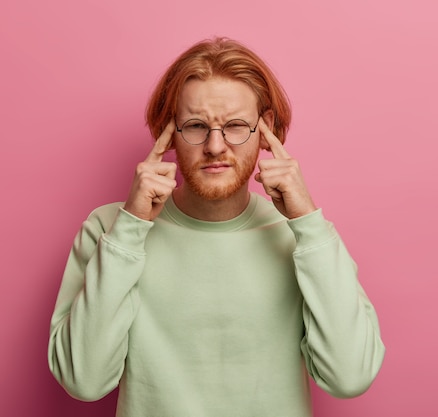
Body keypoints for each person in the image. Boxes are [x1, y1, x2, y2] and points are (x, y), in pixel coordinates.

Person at [48, 37, 385, 417]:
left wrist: (307, 221)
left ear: (265, 128)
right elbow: (83, 381)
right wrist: (131, 228)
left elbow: (350, 376)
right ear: (169, 130)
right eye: (195, 125)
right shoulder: (109, 228)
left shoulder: (304, 236)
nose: (215, 145)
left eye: (236, 125)